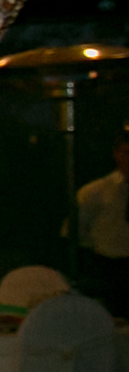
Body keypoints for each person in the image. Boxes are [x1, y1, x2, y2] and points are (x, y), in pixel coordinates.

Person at [75, 125, 129, 313]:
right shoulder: (96, 192)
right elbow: (77, 231)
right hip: (108, 267)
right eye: (126, 153)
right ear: (116, 154)